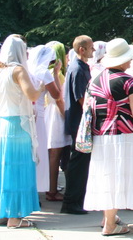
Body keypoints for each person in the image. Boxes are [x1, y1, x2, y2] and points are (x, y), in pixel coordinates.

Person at [83, 38, 133, 236]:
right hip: (125, 134)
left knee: (106, 176)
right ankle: (110, 225)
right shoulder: (130, 82)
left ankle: (108, 218)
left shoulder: (94, 80)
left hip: (100, 135)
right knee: (119, 177)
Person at [0, 35, 45, 228]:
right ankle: (16, 216)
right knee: (18, 168)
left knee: (2, 168)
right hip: (17, 124)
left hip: (0, 123)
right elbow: (32, 94)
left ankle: (1, 212)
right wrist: (41, 86)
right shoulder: (18, 70)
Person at [61, 35, 95, 215]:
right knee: (78, 162)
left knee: (80, 162)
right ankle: (71, 201)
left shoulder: (80, 67)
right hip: (79, 122)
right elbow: (82, 98)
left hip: (79, 121)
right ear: (82, 49)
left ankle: (76, 200)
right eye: (91, 47)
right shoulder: (77, 69)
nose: (94, 50)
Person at [26, 45, 61, 197]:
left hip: (26, 113)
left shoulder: (27, 69)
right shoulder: (44, 72)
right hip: (38, 113)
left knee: (28, 153)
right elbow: (57, 94)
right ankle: (36, 189)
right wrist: (56, 73)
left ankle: (29, 189)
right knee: (39, 153)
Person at [44, 41, 68, 202]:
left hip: (47, 113)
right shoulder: (56, 74)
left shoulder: (47, 71)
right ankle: (52, 189)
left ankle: (49, 186)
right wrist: (66, 115)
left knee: (51, 154)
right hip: (56, 114)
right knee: (55, 154)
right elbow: (59, 97)